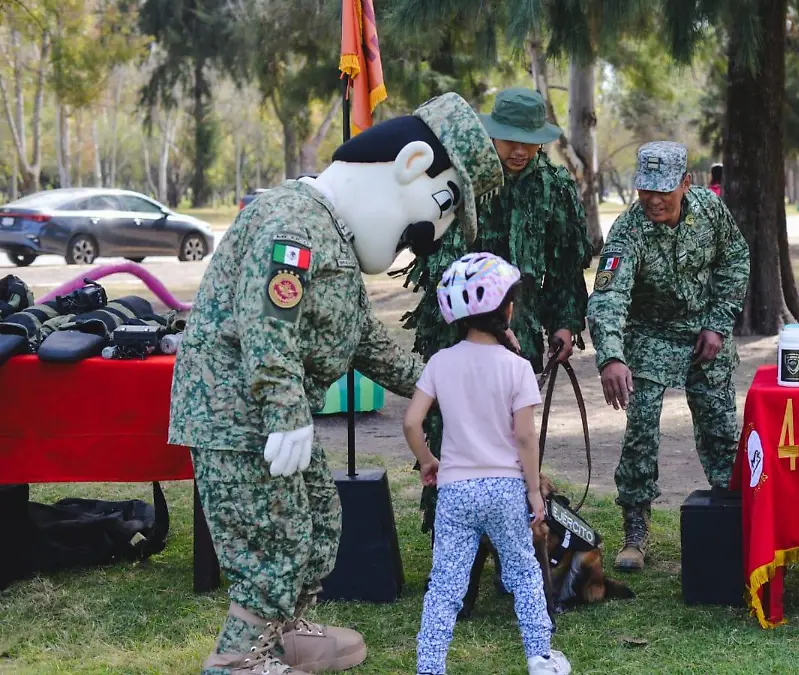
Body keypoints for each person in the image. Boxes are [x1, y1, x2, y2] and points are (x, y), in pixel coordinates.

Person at [168, 92, 504, 675]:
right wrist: (286, 411)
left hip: (271, 415)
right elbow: (267, 322)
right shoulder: (293, 222)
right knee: (272, 535)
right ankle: (239, 657)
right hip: (239, 413)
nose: (431, 233)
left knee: (319, 514)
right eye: (442, 208)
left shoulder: (332, 236)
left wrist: (442, 382)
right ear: (411, 164)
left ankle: (286, 630)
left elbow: (359, 341)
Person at [400, 86, 591, 536]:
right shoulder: (463, 180)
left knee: (512, 433)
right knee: (450, 427)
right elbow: (437, 264)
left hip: (519, 329)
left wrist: (564, 323)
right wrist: (478, 325)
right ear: (492, 135)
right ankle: (452, 537)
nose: (520, 150)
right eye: (509, 140)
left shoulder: (556, 187)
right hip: (455, 331)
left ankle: (513, 538)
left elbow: (566, 266)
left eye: (529, 141)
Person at [404, 252, 572, 675]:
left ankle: (430, 666)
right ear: (508, 310)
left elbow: (411, 422)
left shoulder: (440, 364)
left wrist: (428, 461)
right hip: (504, 489)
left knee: (445, 584)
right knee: (523, 573)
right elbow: (525, 437)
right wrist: (534, 490)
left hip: (456, 490)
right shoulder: (516, 368)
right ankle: (539, 657)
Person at [586, 141, 750, 572]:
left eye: (663, 190)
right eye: (645, 190)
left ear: (685, 183)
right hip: (650, 336)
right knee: (640, 429)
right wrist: (611, 357)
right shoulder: (628, 229)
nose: (654, 200)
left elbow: (736, 259)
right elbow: (609, 297)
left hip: (704, 333)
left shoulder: (711, 212)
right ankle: (635, 530)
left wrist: (718, 322)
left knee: (721, 427)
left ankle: (731, 514)